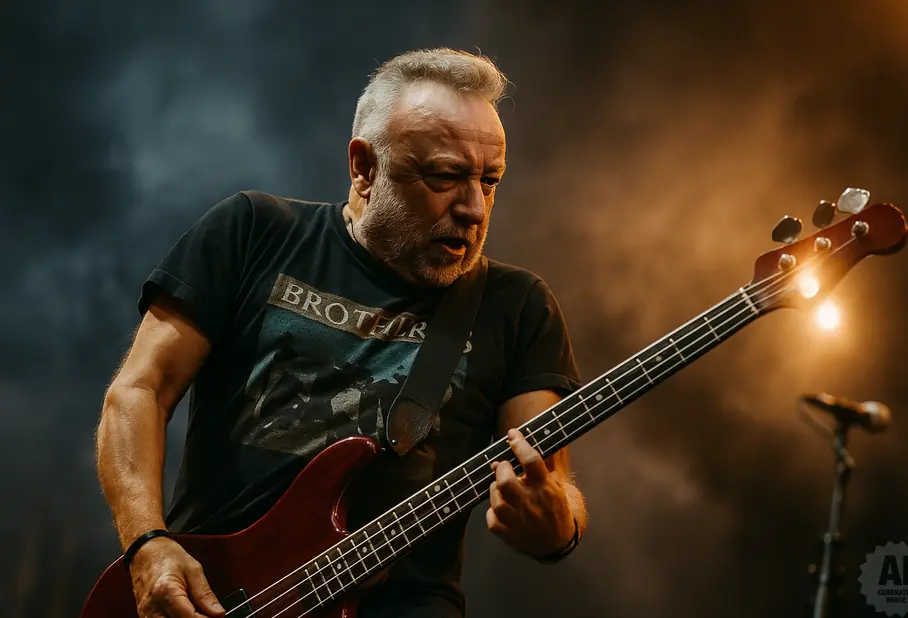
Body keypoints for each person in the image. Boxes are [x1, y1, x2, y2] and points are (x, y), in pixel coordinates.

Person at [95, 47, 588, 618]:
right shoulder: (254, 231)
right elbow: (139, 391)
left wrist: (558, 526)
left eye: (490, 179)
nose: (474, 207)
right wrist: (146, 543)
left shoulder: (517, 305)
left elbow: (550, 482)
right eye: (446, 176)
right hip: (219, 598)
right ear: (364, 167)